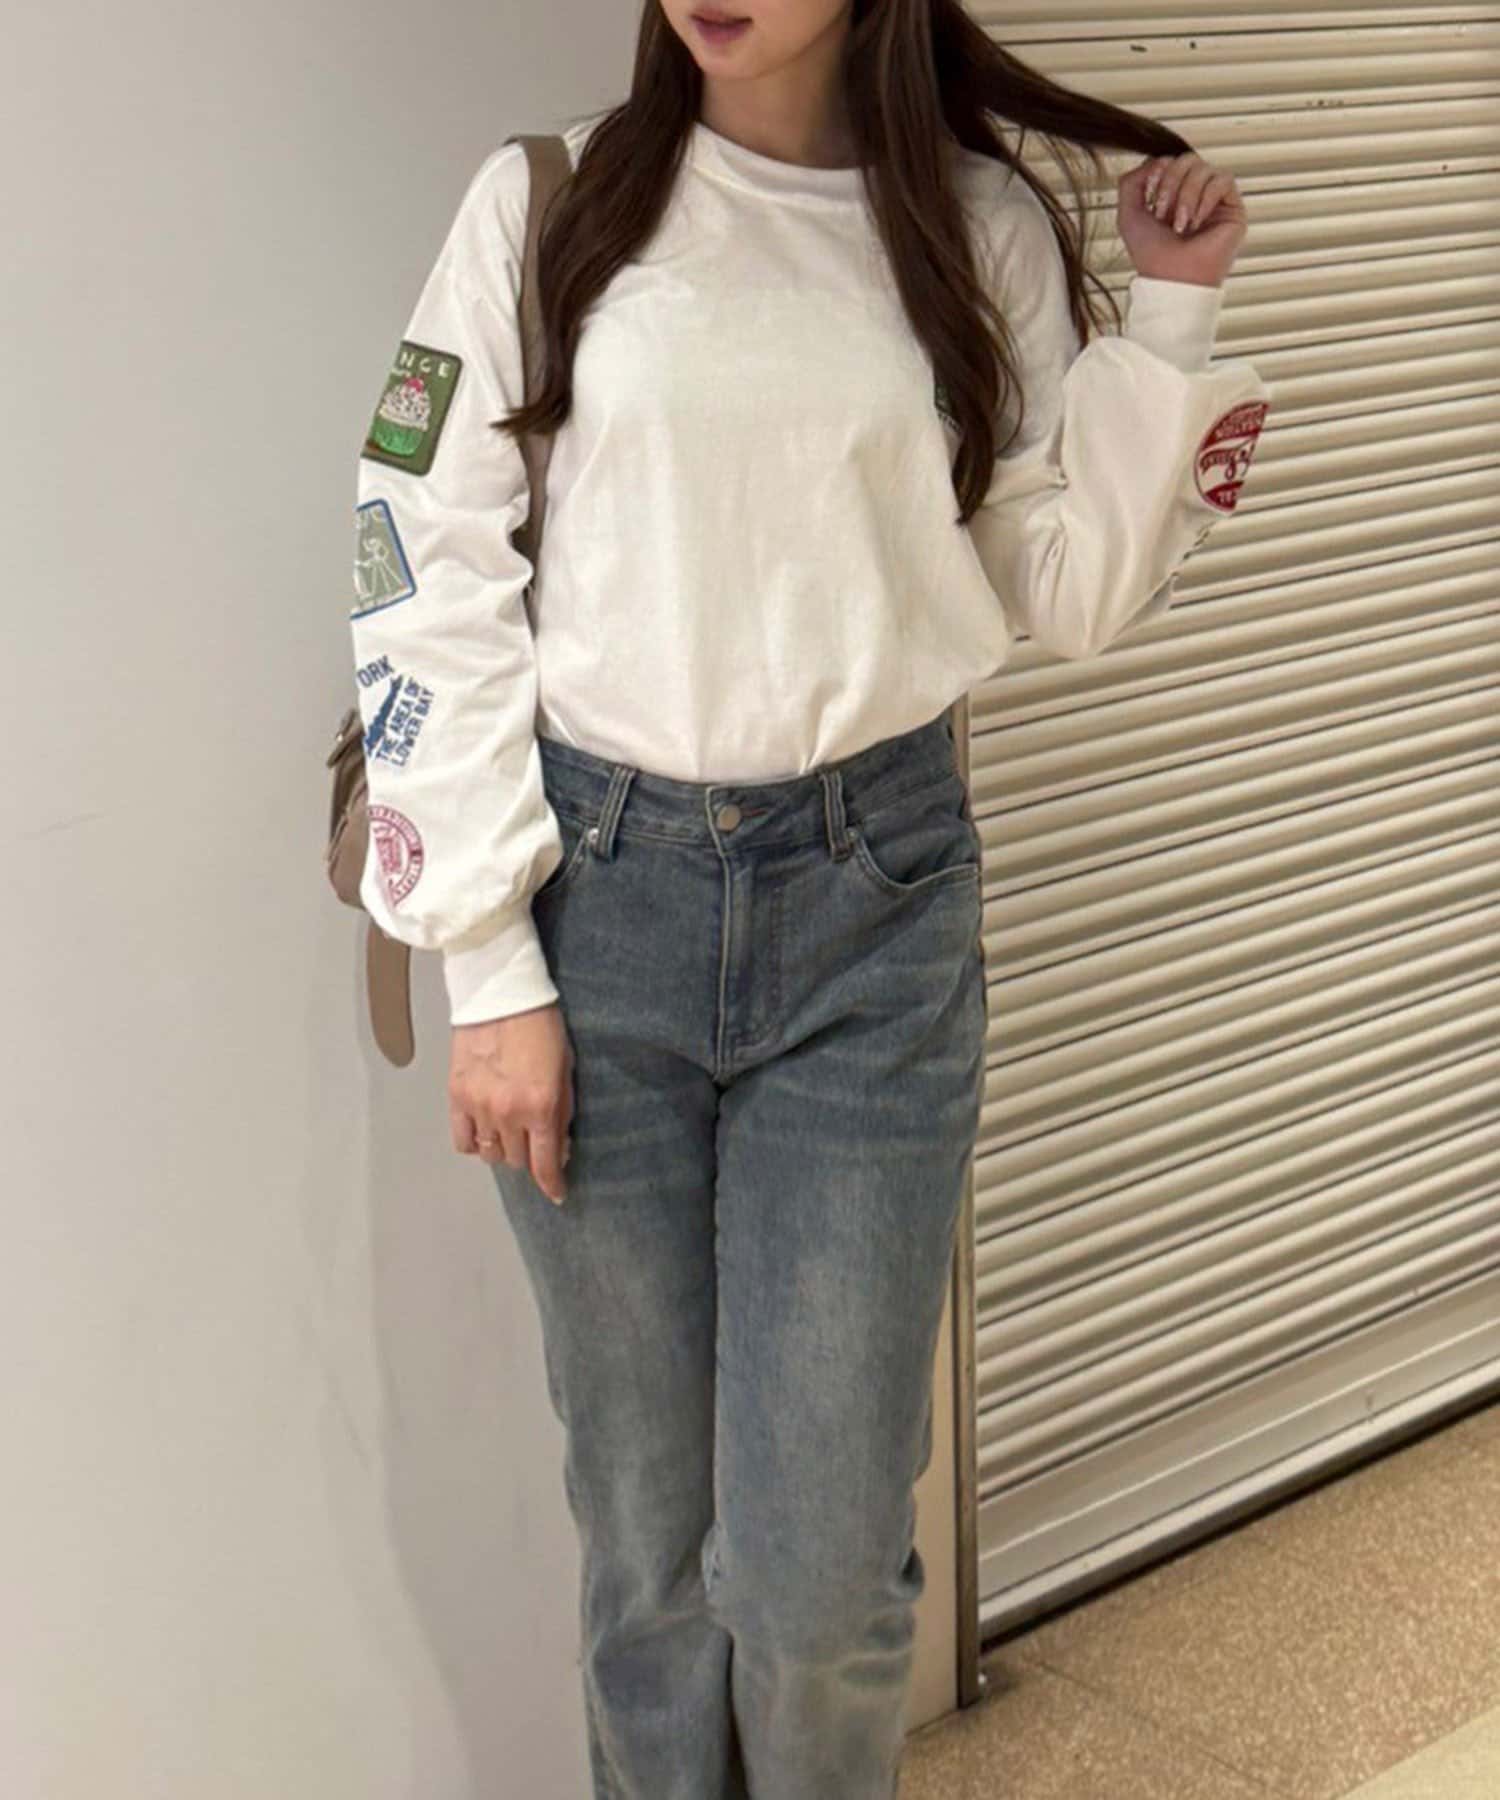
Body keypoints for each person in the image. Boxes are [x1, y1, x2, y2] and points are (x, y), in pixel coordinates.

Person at [346, 0, 1271, 1792]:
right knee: (647, 1559)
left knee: (822, 1581)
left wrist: (1170, 321)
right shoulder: (545, 204)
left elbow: (1062, 589)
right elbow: (417, 555)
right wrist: (490, 968)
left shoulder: (973, 228)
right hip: (593, 909)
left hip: (874, 908)